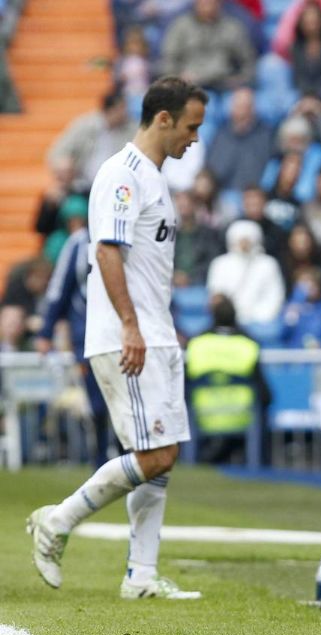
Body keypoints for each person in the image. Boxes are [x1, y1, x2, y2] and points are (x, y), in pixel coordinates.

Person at [27, 76, 209, 600]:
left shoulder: (154, 178)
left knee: (162, 455)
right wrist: (132, 326)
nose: (194, 139)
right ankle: (56, 523)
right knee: (152, 455)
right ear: (164, 119)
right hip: (128, 336)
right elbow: (107, 251)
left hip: (155, 332)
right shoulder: (122, 174)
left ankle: (142, 576)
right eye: (191, 127)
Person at [35, 195, 113, 468]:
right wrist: (45, 332)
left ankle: (128, 457)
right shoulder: (79, 243)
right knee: (96, 402)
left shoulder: (125, 235)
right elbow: (60, 288)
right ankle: (101, 456)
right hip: (88, 334)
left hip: (118, 331)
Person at [186, 293, 272, 464]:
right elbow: (265, 393)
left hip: (202, 416)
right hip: (241, 416)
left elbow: (184, 386)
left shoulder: (196, 344)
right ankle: (259, 463)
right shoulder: (249, 345)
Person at [48, 90, 136, 190]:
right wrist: (63, 163)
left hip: (116, 186)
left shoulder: (131, 130)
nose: (125, 112)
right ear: (110, 109)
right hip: (82, 184)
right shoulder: (84, 126)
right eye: (122, 108)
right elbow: (57, 152)